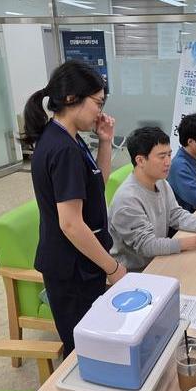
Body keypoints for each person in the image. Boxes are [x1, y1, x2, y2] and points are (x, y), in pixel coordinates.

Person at [23, 60, 127, 358]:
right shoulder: (63, 148)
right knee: (83, 349)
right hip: (72, 269)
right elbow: (70, 224)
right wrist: (113, 267)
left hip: (80, 262)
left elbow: (97, 185)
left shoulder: (67, 137)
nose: (100, 111)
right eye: (98, 102)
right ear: (71, 98)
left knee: (90, 341)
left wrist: (105, 142)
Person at [108, 126, 196, 272]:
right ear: (140, 160)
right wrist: (194, 242)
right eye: (162, 157)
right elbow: (147, 246)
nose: (168, 162)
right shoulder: (127, 200)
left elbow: (176, 215)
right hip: (137, 272)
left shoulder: (160, 182)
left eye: (169, 155)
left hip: (159, 259)